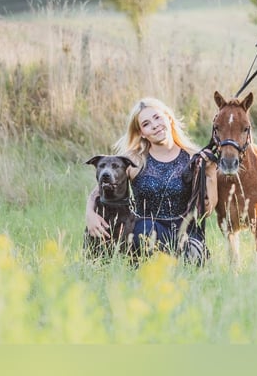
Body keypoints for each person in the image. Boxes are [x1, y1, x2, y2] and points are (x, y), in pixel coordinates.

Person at [85, 97, 217, 265]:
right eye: (146, 124)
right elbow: (101, 189)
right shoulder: (134, 160)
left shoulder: (193, 157)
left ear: (168, 117)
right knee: (145, 231)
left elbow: (207, 211)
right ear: (141, 133)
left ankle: (179, 262)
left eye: (157, 117)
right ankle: (159, 267)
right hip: (146, 232)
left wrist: (211, 173)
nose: (154, 125)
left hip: (185, 230)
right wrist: (90, 214)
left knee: (193, 257)